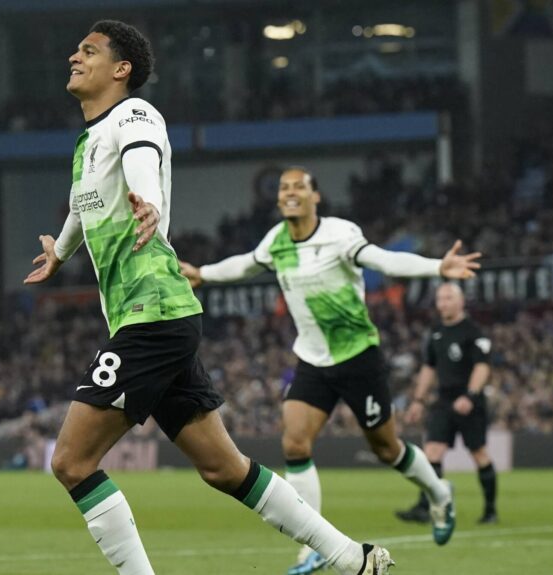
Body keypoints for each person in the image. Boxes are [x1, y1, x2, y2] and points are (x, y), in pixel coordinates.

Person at [24, 22, 392, 575]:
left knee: (72, 462)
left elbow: (141, 158)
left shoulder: (135, 114)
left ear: (121, 69)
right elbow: (83, 206)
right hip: (155, 318)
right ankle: (352, 557)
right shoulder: (87, 141)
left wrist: (147, 201)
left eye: (89, 51)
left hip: (153, 315)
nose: (74, 57)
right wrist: (61, 254)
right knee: (224, 469)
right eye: (76, 49)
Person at [181, 167, 480, 574]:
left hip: (359, 357)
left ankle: (439, 493)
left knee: (386, 448)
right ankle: (314, 546)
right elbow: (247, 265)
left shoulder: (339, 234)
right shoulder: (277, 240)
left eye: (298, 187)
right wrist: (204, 274)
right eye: (284, 188)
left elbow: (384, 259)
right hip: (313, 360)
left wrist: (436, 268)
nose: (290, 192)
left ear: (315, 196)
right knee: (295, 444)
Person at [396, 283, 497, 524]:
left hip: (470, 401)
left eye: (448, 298)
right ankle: (425, 507)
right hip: (444, 400)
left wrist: (471, 396)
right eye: (440, 298)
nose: (443, 303)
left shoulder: (473, 332)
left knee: (479, 453)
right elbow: (429, 367)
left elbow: (482, 367)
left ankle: (490, 511)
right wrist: (419, 400)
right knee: (432, 451)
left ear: (461, 302)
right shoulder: (436, 332)